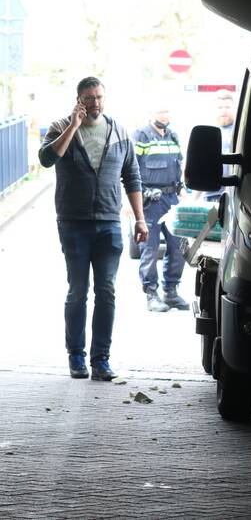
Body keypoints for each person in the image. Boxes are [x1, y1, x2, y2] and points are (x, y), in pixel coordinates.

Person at [38, 76, 148, 380]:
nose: (94, 103)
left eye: (98, 97)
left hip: (110, 223)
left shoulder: (120, 131)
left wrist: (139, 218)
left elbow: (132, 177)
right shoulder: (60, 127)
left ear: (104, 98)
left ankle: (101, 359)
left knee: (107, 291)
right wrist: (73, 125)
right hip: (73, 223)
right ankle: (76, 356)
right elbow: (46, 159)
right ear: (78, 100)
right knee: (78, 291)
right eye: (88, 98)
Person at [133, 105, 188, 312]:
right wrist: (133, 202)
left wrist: (182, 191)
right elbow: (129, 168)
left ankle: (171, 291)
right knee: (150, 248)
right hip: (150, 202)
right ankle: (151, 294)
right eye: (160, 110)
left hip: (171, 198)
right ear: (151, 113)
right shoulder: (141, 136)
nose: (165, 115)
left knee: (178, 246)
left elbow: (179, 167)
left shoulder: (173, 136)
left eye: (167, 111)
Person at [204, 89, 236, 202]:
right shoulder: (207, 131)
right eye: (220, 108)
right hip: (211, 193)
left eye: (227, 107)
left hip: (234, 192)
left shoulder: (239, 131)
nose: (224, 111)